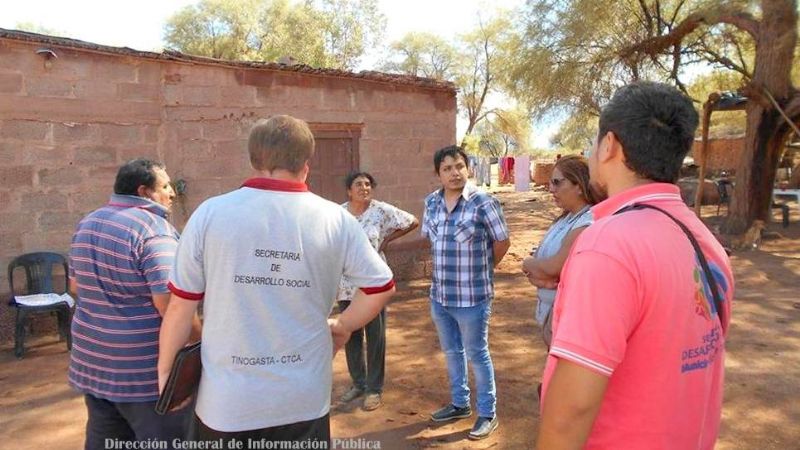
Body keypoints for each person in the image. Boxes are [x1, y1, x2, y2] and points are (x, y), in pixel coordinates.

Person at [157, 115, 395, 447]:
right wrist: (343, 325)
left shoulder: (210, 214)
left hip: (227, 404)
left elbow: (180, 308)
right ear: (306, 164)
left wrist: (166, 376)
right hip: (303, 400)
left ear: (254, 160)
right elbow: (380, 287)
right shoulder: (335, 219)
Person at [537, 82, 734, 449]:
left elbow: (573, 410)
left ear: (609, 145)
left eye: (594, 144)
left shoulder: (607, 244)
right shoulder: (704, 240)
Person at [68, 158, 197, 450]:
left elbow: (75, 285)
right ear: (144, 192)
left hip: (94, 366)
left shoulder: (88, 222)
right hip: (145, 377)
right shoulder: (154, 230)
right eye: (165, 186)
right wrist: (200, 343)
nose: (172, 193)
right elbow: (172, 305)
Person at [422, 145, 510, 440]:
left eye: (459, 166)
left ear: (468, 168)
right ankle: (459, 404)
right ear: (438, 174)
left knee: (477, 353)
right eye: (446, 168)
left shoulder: (483, 202)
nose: (454, 172)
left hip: (472, 298)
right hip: (441, 296)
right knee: (451, 352)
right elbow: (432, 241)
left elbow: (502, 241)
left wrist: (484, 271)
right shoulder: (431, 203)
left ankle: (487, 413)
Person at [337, 172, 419, 411]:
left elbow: (412, 221)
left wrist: (387, 240)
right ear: (348, 191)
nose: (364, 188)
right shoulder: (339, 213)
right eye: (358, 184)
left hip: (374, 286)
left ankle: (374, 389)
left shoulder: (380, 210)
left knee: (376, 337)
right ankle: (358, 383)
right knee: (350, 336)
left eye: (368, 184)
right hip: (345, 285)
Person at [521, 155, 601, 341]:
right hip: (551, 315)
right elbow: (544, 267)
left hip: (568, 321)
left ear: (579, 186)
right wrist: (539, 276)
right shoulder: (566, 218)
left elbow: (554, 267)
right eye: (551, 183)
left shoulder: (588, 220)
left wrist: (527, 263)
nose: (551, 189)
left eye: (557, 183)